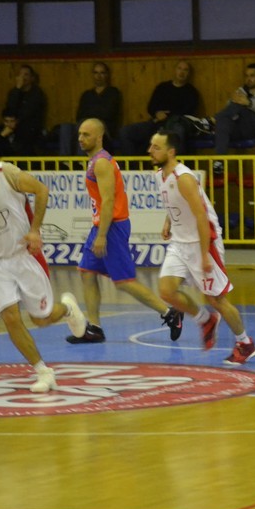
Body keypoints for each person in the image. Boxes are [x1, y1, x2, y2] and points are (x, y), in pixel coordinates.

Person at [0, 134, 89, 394]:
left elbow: (41, 190)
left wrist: (35, 230)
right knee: (10, 318)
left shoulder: (4, 173)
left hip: (24, 255)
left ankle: (68, 309)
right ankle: (43, 371)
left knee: (41, 319)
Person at [148, 129, 255, 365]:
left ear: (171, 151)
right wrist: (168, 221)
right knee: (166, 291)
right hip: (179, 242)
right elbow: (175, 204)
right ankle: (205, 320)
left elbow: (201, 216)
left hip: (202, 241)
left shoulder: (184, 178)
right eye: (151, 146)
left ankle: (245, 343)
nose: (150, 151)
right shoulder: (159, 175)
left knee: (216, 299)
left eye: (156, 147)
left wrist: (205, 254)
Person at [70, 118, 184, 344]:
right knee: (86, 272)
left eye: (86, 135)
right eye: (80, 134)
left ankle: (170, 313)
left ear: (99, 137)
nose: (81, 139)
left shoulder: (101, 163)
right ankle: (95, 328)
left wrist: (102, 235)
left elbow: (109, 201)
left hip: (111, 226)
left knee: (123, 281)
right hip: (102, 225)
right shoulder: (96, 161)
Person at [119, 60, 201, 155]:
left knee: (178, 131)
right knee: (125, 132)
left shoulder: (191, 92)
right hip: (155, 123)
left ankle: (174, 164)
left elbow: (188, 112)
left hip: (175, 125)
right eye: (179, 68)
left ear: (189, 74)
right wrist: (157, 113)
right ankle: (132, 164)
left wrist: (167, 115)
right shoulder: (162, 87)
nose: (181, 72)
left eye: (185, 70)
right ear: (175, 70)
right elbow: (151, 107)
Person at [212, 63, 255, 173]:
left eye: (252, 76)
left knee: (241, 106)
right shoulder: (239, 92)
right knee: (223, 122)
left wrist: (248, 103)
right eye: (246, 76)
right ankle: (219, 162)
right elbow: (229, 110)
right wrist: (236, 103)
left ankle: (211, 121)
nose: (248, 79)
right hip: (239, 128)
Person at [4, 64, 47, 156]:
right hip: (12, 126)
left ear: (32, 78)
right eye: (20, 74)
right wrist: (17, 89)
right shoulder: (14, 92)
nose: (23, 78)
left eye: (26, 75)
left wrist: (16, 122)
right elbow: (9, 109)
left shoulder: (36, 94)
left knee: (24, 137)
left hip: (31, 128)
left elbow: (28, 112)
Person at [76, 61, 123, 145]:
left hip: (104, 127)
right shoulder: (87, 95)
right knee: (66, 128)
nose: (98, 76)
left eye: (102, 73)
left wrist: (91, 115)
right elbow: (80, 115)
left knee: (87, 130)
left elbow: (108, 114)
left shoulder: (113, 93)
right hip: (85, 125)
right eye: (96, 73)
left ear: (107, 75)